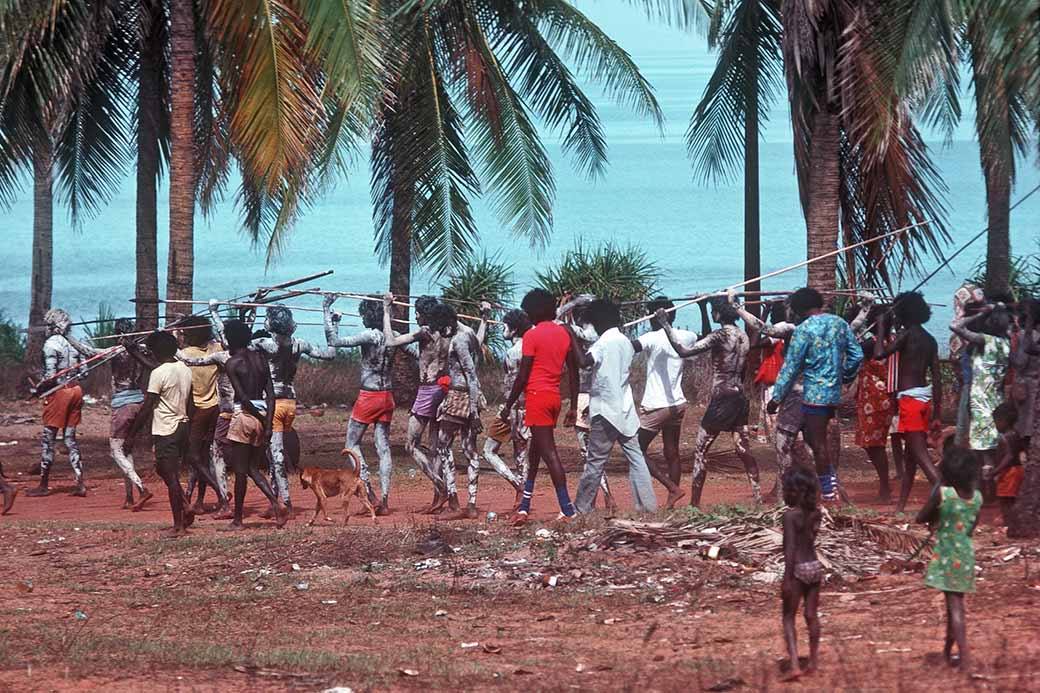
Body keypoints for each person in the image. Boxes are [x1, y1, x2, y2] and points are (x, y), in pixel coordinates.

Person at [656, 295, 760, 506]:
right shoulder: (743, 336)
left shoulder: (721, 335)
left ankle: (694, 504)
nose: (713, 314)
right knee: (742, 449)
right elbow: (707, 337)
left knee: (700, 451)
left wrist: (665, 324)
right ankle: (757, 496)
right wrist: (702, 307)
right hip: (740, 398)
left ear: (719, 313)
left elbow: (683, 351)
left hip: (722, 399)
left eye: (713, 310)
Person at [770, 288, 863, 501]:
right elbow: (856, 354)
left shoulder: (803, 330)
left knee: (819, 444)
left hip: (814, 395)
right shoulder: (839, 323)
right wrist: (845, 376)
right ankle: (830, 486)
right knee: (814, 440)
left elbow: (791, 367)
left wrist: (777, 397)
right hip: (833, 394)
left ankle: (830, 495)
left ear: (800, 307)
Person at [243, 304, 336, 515]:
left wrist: (250, 316)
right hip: (290, 404)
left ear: (270, 324)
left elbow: (236, 344)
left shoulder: (265, 344)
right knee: (274, 452)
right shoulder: (299, 344)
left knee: (275, 456)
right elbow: (330, 353)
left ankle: (285, 504)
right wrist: (330, 319)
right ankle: (276, 501)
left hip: (273, 403)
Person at [570, 300, 658, 514]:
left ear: (599, 321)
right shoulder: (625, 341)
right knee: (636, 458)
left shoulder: (603, 343)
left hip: (605, 410)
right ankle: (648, 506)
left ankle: (582, 509)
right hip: (625, 409)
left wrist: (570, 335)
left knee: (595, 462)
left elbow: (583, 362)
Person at [501, 288, 580, 525]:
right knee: (535, 451)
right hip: (554, 398)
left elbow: (523, 376)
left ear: (533, 312)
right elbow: (574, 373)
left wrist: (507, 405)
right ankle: (524, 505)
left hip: (536, 397)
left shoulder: (532, 337)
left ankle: (568, 509)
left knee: (550, 453)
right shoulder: (563, 333)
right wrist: (573, 406)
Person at [65, 319, 156, 509]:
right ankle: (129, 497)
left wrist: (67, 335)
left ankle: (142, 489)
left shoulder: (116, 351)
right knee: (125, 451)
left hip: (123, 404)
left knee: (115, 451)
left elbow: (88, 351)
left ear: (118, 333)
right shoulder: (143, 349)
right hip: (138, 401)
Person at [431, 301, 509, 519]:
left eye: (441, 328)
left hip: (460, 398)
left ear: (447, 324)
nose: (442, 333)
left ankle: (455, 502)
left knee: (443, 446)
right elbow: (479, 342)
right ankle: (471, 504)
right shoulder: (468, 333)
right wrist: (484, 318)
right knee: (469, 449)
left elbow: (471, 375)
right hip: (467, 397)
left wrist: (474, 413)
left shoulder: (459, 339)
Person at [324, 294, 397, 515]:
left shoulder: (370, 335)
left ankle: (370, 494)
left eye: (363, 314)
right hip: (387, 396)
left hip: (369, 396)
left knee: (351, 445)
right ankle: (384, 500)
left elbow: (333, 342)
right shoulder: (394, 336)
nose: (362, 318)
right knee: (383, 448)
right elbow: (417, 352)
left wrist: (328, 313)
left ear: (369, 315)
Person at [733, 296, 810, 500]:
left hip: (781, 388)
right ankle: (785, 485)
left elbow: (756, 342)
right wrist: (766, 312)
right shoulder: (795, 329)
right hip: (782, 387)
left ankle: (789, 489)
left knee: (785, 442)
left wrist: (746, 311)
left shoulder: (784, 330)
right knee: (788, 443)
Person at [382, 295, 452, 512]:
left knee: (410, 445)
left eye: (418, 312)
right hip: (444, 389)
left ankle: (441, 487)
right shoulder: (448, 333)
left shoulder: (424, 332)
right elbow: (422, 356)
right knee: (435, 448)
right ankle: (437, 499)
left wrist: (386, 311)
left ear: (425, 314)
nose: (415, 315)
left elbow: (390, 342)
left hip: (428, 391)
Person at [915, 445, 982, 672]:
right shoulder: (977, 498)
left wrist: (938, 491)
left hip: (946, 555)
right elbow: (970, 529)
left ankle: (965, 659)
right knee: (954, 603)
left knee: (955, 608)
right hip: (965, 554)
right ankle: (947, 652)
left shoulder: (944, 494)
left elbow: (920, 517)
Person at [875, 292, 943, 511]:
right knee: (911, 457)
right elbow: (938, 377)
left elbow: (879, 354)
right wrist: (937, 414)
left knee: (920, 454)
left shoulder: (906, 335)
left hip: (910, 400)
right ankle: (901, 507)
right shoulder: (930, 339)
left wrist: (879, 328)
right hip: (924, 399)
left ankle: (947, 495)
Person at [127, 331, 195, 536]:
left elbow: (147, 407)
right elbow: (190, 401)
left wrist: (132, 435)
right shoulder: (184, 368)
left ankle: (178, 526)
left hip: (166, 429)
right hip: (182, 425)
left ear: (156, 351)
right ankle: (185, 506)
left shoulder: (158, 374)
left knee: (171, 477)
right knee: (163, 469)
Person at [223, 319, 287, 529]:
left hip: (245, 416)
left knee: (240, 471)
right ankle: (276, 504)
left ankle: (238, 519)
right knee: (252, 467)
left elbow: (243, 398)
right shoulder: (260, 360)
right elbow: (270, 394)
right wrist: (267, 424)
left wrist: (260, 420)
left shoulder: (232, 363)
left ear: (231, 338)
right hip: (263, 414)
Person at [631, 296, 689, 508]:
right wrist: (702, 309)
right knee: (672, 452)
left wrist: (614, 328)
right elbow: (706, 334)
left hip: (657, 405)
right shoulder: (687, 336)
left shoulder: (652, 337)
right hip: (678, 404)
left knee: (635, 448)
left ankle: (671, 488)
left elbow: (629, 346)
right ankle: (672, 501)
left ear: (653, 318)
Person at [560, 296, 616, 513]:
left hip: (588, 395)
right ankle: (595, 500)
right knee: (591, 454)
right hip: (589, 394)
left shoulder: (589, 333)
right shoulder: (599, 333)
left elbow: (559, 323)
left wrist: (570, 304)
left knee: (590, 454)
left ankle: (605, 498)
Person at [27, 309, 88, 498]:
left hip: (59, 393)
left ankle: (44, 484)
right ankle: (80, 483)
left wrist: (39, 386)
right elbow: (85, 373)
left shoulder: (51, 344)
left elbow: (51, 375)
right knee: (70, 439)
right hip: (76, 390)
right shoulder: (76, 344)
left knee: (49, 439)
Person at [950, 301, 1011, 486]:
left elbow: (955, 326)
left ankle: (984, 492)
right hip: (996, 399)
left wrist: (979, 314)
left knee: (982, 451)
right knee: (991, 449)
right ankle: (991, 490)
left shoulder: (985, 340)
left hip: (980, 400)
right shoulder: (1007, 343)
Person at [176, 315, 230, 514]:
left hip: (197, 410)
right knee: (203, 458)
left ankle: (221, 495)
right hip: (214, 408)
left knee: (193, 457)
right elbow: (222, 339)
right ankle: (197, 500)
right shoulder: (216, 350)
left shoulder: (185, 354)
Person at [483, 309, 533, 510]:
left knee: (490, 451)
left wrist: (508, 407)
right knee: (519, 455)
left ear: (514, 329)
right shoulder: (528, 348)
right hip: (519, 408)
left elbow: (517, 382)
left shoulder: (515, 352)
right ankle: (521, 492)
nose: (503, 329)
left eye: (506, 326)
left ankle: (520, 490)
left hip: (514, 409)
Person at [780, 466, 822, 680]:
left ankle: (795, 664)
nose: (783, 493)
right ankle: (814, 662)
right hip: (815, 567)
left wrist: (787, 579)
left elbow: (790, 550)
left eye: (786, 489)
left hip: (797, 568)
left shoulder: (789, 517)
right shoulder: (816, 513)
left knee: (788, 617)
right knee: (811, 615)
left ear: (795, 491)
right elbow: (811, 540)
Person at [851, 298, 895, 501]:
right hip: (882, 398)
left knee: (873, 445)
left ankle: (885, 486)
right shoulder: (894, 340)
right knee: (873, 444)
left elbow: (850, 345)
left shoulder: (872, 345)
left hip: (874, 399)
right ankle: (885, 484)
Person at [986, 402, 1025, 526]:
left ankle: (1009, 523)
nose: (996, 425)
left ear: (1004, 420)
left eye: (996, 421)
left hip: (1009, 473)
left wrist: (995, 471)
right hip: (1017, 470)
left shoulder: (1005, 437)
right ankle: (1011, 521)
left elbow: (1009, 456)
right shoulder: (1016, 434)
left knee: (1005, 499)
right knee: (1011, 498)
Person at [1010, 298, 1039, 445]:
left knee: (1024, 427)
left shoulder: (1025, 337)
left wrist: (1010, 354)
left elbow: (1020, 363)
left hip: (1026, 387)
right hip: (1035, 384)